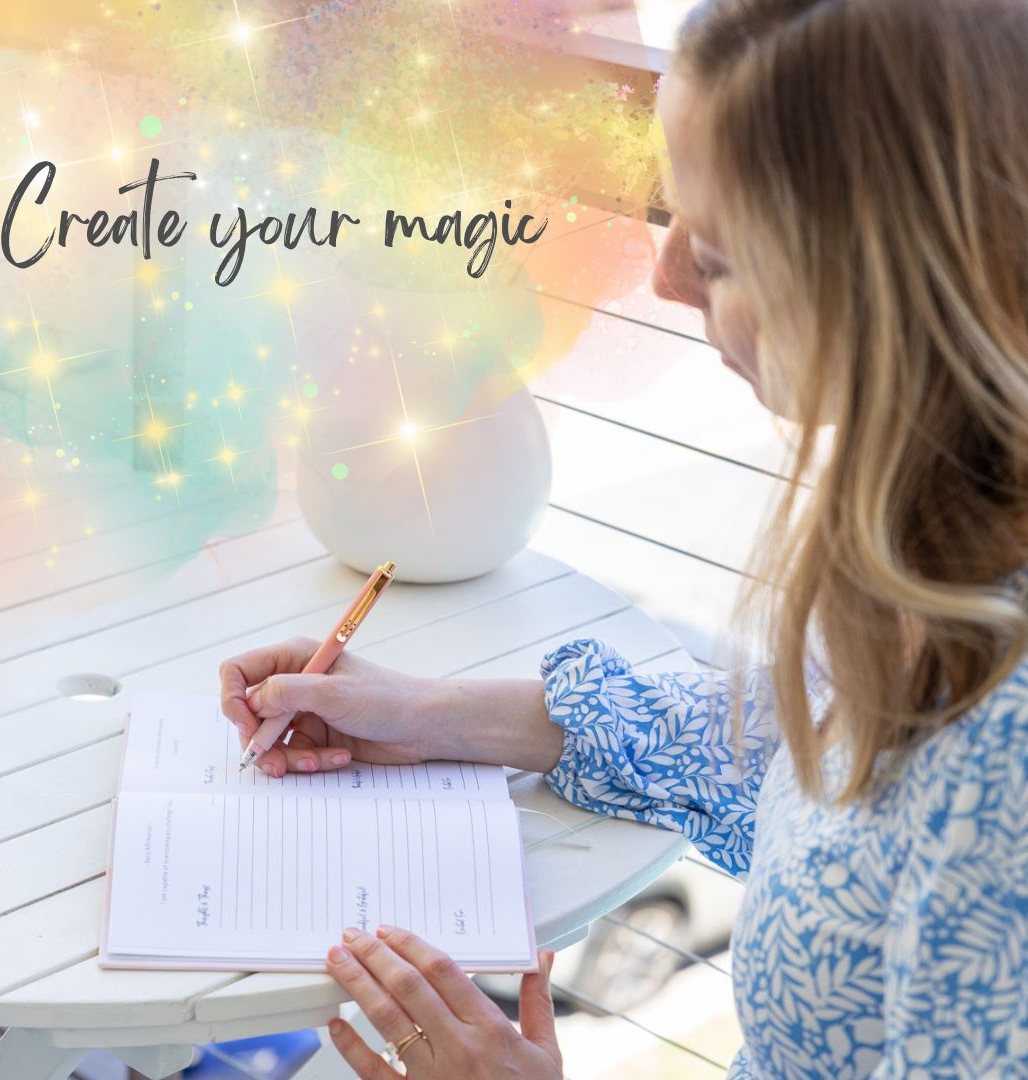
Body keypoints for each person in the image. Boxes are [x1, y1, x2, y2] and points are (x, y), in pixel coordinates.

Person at [219, 0, 1028, 1075]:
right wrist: (429, 716)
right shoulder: (938, 543)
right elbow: (814, 755)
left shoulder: (1004, 755)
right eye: (667, 215)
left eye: (723, 255)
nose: (664, 278)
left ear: (891, 284)